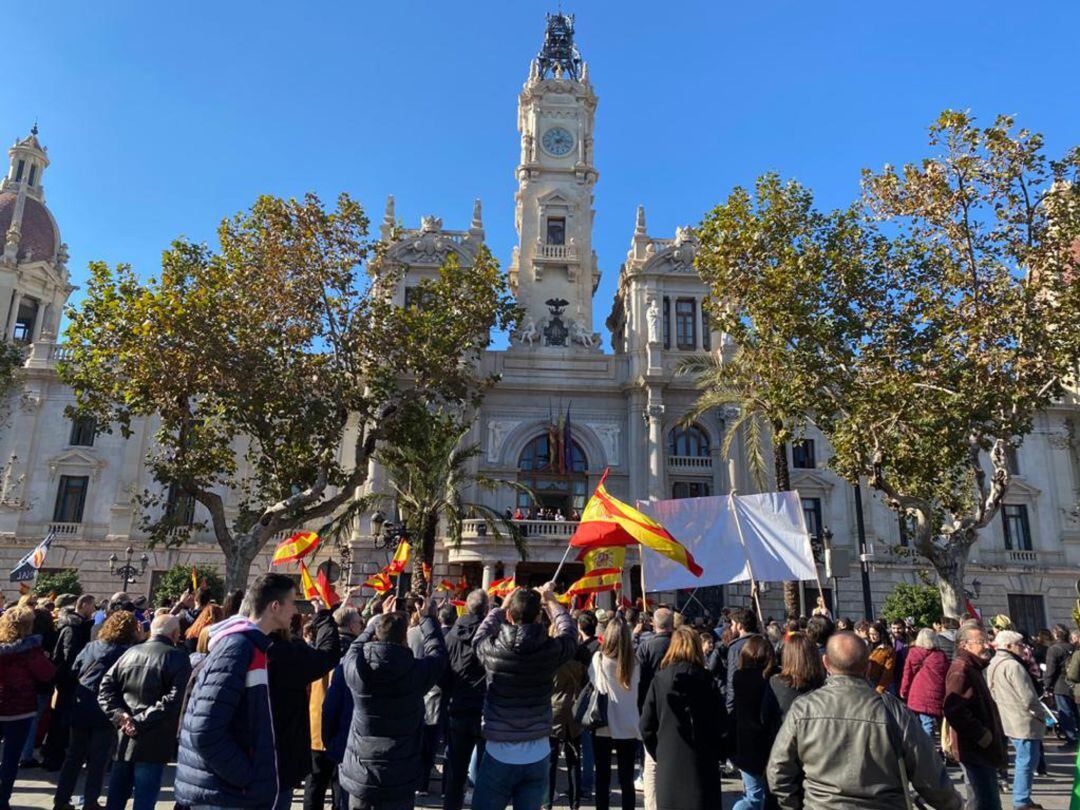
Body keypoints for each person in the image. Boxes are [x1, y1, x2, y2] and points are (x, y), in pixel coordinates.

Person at [768, 632, 962, 809]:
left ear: (825, 663)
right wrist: (953, 804)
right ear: (868, 666)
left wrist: (794, 805)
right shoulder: (893, 710)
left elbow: (778, 770)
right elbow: (929, 773)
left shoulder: (804, 708)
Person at [175, 572, 298, 809]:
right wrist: (246, 777)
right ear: (275, 606)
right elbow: (205, 730)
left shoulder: (249, 645)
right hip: (222, 795)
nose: (295, 610)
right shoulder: (239, 648)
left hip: (222, 792)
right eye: (292, 602)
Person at [472, 583, 577, 810]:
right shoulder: (550, 650)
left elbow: (478, 636)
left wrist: (501, 607)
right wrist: (551, 602)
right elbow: (570, 635)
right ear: (540, 617)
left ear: (509, 615)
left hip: (498, 751)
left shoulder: (493, 650)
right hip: (537, 752)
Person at [338, 593, 446, 810]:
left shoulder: (357, 671)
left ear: (377, 636)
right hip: (400, 773)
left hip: (362, 771)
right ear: (404, 639)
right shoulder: (416, 673)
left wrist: (374, 623)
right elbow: (438, 655)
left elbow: (353, 649)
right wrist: (427, 619)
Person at [98, 614, 192, 810]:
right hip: (153, 738)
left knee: (116, 795)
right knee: (145, 798)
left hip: (125, 735)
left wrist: (121, 716)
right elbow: (174, 700)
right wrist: (135, 720)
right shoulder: (178, 657)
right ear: (175, 633)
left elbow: (105, 689)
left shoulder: (130, 653)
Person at [53, 609, 140, 810]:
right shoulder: (126, 653)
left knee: (74, 756)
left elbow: (75, 669)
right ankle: (90, 801)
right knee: (99, 758)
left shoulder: (91, 646)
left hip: (81, 705)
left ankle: (61, 800)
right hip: (106, 709)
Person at [640, 626, 724, 810]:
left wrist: (659, 751)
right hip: (702, 763)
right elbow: (721, 723)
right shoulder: (707, 680)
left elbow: (646, 725)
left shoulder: (660, 680)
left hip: (670, 763)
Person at [269, 601, 342, 809]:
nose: (296, 611)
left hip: (255, 759)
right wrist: (323, 616)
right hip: (284, 754)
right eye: (291, 604)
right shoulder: (292, 654)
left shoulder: (239, 647)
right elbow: (328, 655)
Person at [943, 623, 1007, 810]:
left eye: (987, 640)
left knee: (986, 800)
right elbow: (954, 710)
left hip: (981, 750)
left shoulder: (973, 667)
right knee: (983, 802)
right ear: (964, 645)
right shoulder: (961, 669)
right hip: (975, 750)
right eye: (981, 641)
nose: (987, 645)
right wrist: (981, 735)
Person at [307, 603, 363, 810]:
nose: (361, 624)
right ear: (350, 626)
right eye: (359, 621)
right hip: (343, 726)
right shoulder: (353, 652)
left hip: (316, 722)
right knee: (340, 785)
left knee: (315, 783)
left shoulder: (317, 645)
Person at [0, 605, 56, 808]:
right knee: (10, 758)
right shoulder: (30, 650)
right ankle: (2, 800)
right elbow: (47, 674)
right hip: (19, 709)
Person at [987, 630, 1048, 810]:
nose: (1024, 647)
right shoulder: (1013, 665)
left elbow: (992, 690)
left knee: (1024, 760)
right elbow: (1028, 696)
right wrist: (1040, 714)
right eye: (1019, 644)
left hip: (1008, 716)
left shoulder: (994, 662)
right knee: (1027, 762)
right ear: (1008, 646)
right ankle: (1021, 800)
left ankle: (1022, 799)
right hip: (1023, 719)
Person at [589, 616, 640, 810]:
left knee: (602, 777)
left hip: (604, 723)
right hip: (629, 724)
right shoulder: (635, 663)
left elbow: (593, 682)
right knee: (626, 779)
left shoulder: (599, 659)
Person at [731, 636, 776, 810]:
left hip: (745, 743)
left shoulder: (739, 677)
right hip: (766, 742)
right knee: (757, 797)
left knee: (754, 794)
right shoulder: (771, 678)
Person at [637, 607, 674, 810]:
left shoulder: (646, 646)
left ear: (654, 623)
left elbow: (640, 679)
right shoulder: (680, 644)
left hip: (650, 706)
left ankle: (652, 805)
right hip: (675, 707)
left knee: (651, 763)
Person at [548, 621, 585, 810]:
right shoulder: (578, 661)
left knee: (551, 759)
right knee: (574, 759)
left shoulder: (549, 661)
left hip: (553, 711)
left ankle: (547, 801)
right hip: (573, 711)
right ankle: (575, 801)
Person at [762, 631, 826, 736]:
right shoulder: (822, 684)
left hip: (783, 741)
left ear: (787, 656)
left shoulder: (775, 683)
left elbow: (765, 717)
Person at [899, 628, 949, 739]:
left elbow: (907, 674)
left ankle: (923, 749)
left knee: (920, 723)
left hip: (917, 692)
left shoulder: (913, 653)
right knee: (930, 723)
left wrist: (903, 691)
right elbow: (946, 674)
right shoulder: (941, 655)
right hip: (936, 693)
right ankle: (935, 748)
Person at [575, 611, 600, 801]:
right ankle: (592, 783)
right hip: (599, 699)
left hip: (584, 699)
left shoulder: (580, 650)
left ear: (579, 627)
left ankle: (585, 784)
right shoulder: (601, 647)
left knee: (586, 745)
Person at [1043, 623, 1077, 749]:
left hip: (1061, 686)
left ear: (1056, 634)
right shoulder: (1073, 647)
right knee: (1076, 711)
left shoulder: (1054, 649)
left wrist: (1046, 685)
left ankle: (1072, 739)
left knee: (1065, 713)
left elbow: (1050, 670)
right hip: (1075, 684)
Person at [866, 621, 897, 694]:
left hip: (881, 683)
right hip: (868, 682)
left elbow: (888, 671)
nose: (872, 637)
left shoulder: (888, 650)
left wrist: (880, 688)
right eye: (870, 634)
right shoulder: (868, 647)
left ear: (880, 634)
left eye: (875, 634)